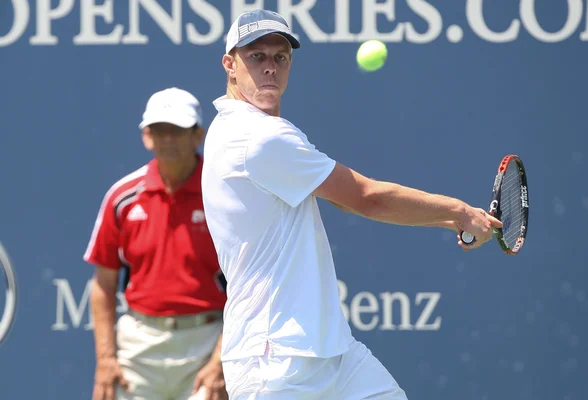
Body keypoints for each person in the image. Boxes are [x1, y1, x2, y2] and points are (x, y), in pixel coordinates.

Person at [201, 9, 502, 400]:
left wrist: (449, 221)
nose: (270, 67)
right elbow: (365, 197)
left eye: (280, 57)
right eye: (256, 56)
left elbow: (344, 200)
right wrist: (460, 212)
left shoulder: (234, 129)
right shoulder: (258, 137)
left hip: (333, 353)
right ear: (230, 65)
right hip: (274, 361)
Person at [84, 87, 228, 400]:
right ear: (147, 137)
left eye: (177, 130)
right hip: (138, 348)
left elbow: (249, 286)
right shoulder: (122, 198)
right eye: (160, 131)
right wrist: (106, 360)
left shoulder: (225, 195)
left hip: (207, 342)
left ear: (198, 135)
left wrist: (220, 360)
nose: (168, 140)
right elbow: (104, 285)